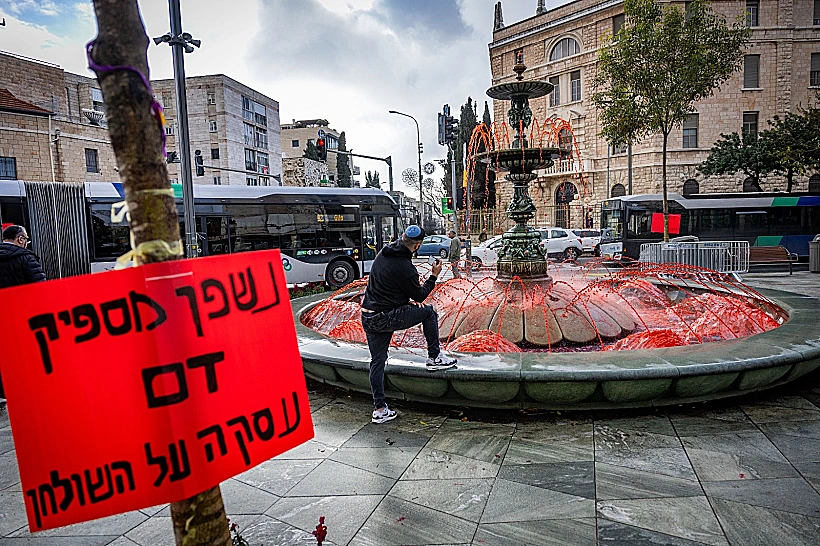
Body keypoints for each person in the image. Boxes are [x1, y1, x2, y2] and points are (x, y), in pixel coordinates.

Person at [360, 225, 457, 423]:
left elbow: (388, 287)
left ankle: (379, 409)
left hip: (368, 315)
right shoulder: (405, 267)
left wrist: (406, 301)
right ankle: (434, 357)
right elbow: (421, 295)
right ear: (417, 245)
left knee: (377, 361)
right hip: (385, 316)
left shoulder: (384, 253)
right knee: (429, 313)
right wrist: (434, 275)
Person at [0, 225, 47, 404]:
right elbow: (41, 291)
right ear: (20, 239)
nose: (26, 243)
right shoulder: (25, 258)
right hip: (20, 320)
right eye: (26, 239)